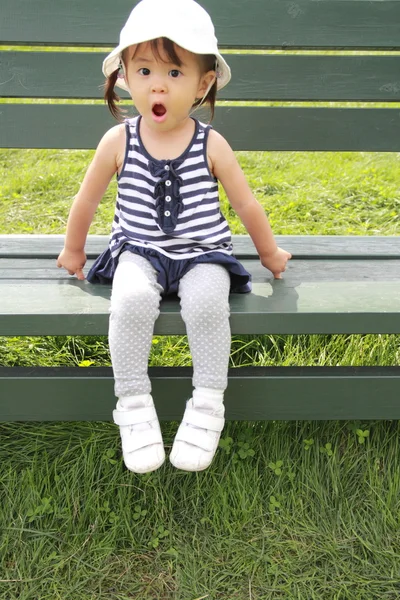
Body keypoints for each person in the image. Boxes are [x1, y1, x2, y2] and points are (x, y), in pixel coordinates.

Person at [57, 0, 291, 474]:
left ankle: (207, 404)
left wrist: (269, 251)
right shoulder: (118, 141)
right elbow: (86, 200)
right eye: (143, 70)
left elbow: (245, 204)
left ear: (204, 84)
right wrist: (74, 248)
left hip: (203, 254)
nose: (157, 84)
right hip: (138, 252)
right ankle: (134, 404)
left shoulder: (211, 144)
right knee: (130, 302)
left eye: (174, 73)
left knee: (207, 306)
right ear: (124, 75)